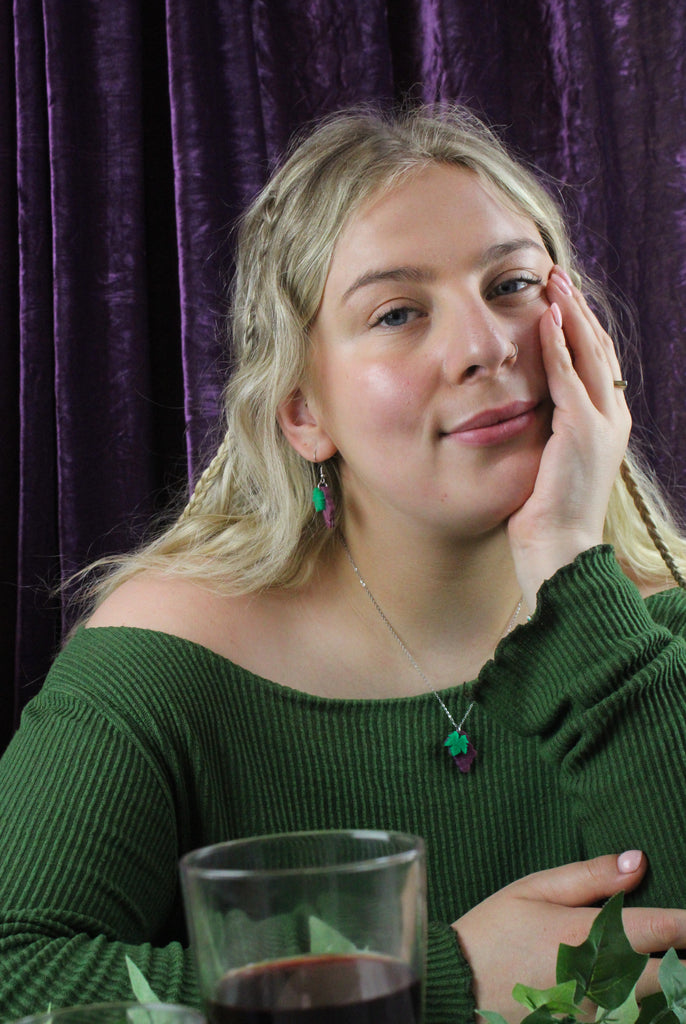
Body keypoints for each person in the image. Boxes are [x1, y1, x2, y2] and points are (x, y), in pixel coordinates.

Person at [2, 104, 686, 1024]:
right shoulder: (170, 653)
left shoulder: (659, 630)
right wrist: (433, 976)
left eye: (514, 284)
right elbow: (18, 972)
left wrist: (568, 562)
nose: (486, 346)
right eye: (398, 312)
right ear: (302, 412)